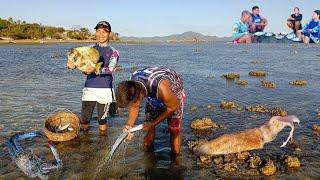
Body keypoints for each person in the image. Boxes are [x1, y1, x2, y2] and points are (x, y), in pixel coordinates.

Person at [115, 67, 186, 155]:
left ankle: (176, 159)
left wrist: (154, 123)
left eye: (134, 102)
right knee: (148, 125)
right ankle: (148, 154)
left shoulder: (162, 88)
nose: (133, 105)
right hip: (152, 92)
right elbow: (134, 106)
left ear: (140, 95)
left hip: (173, 93)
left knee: (174, 129)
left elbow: (173, 107)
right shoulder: (132, 83)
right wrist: (129, 126)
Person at [68, 21, 120, 134]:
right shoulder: (89, 49)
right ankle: (84, 144)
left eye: (104, 32)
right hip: (89, 88)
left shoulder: (114, 52)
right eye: (98, 31)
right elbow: (83, 65)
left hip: (105, 90)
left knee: (102, 121)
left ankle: (102, 145)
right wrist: (73, 65)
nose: (100, 34)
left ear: (109, 33)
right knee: (85, 120)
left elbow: (110, 69)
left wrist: (96, 69)